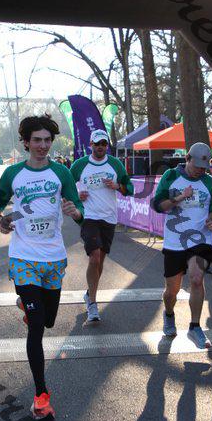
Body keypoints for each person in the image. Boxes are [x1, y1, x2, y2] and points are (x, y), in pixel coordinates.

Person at [0, 115, 83, 420]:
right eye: (37, 140)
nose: (43, 146)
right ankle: (41, 396)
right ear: (26, 142)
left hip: (53, 257)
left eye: (47, 140)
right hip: (23, 256)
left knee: (49, 320)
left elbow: (78, 208)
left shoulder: (61, 172)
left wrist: (75, 211)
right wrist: (1, 220)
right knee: (38, 326)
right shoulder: (13, 173)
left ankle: (28, 306)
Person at [153, 142, 212, 349]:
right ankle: (169, 314)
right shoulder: (171, 176)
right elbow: (158, 206)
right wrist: (180, 197)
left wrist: (211, 221)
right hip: (175, 241)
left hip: (200, 240)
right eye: (198, 166)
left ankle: (195, 326)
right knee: (171, 291)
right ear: (187, 158)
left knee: (197, 279)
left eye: (205, 167)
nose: (201, 170)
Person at [71, 129, 134, 323]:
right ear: (90, 144)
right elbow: (66, 186)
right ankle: (92, 303)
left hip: (109, 218)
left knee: (100, 261)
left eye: (104, 144)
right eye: (97, 143)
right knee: (94, 257)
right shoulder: (80, 165)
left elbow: (130, 188)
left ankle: (89, 293)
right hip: (89, 216)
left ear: (107, 145)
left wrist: (118, 186)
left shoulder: (115, 164)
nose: (100, 147)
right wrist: (77, 195)